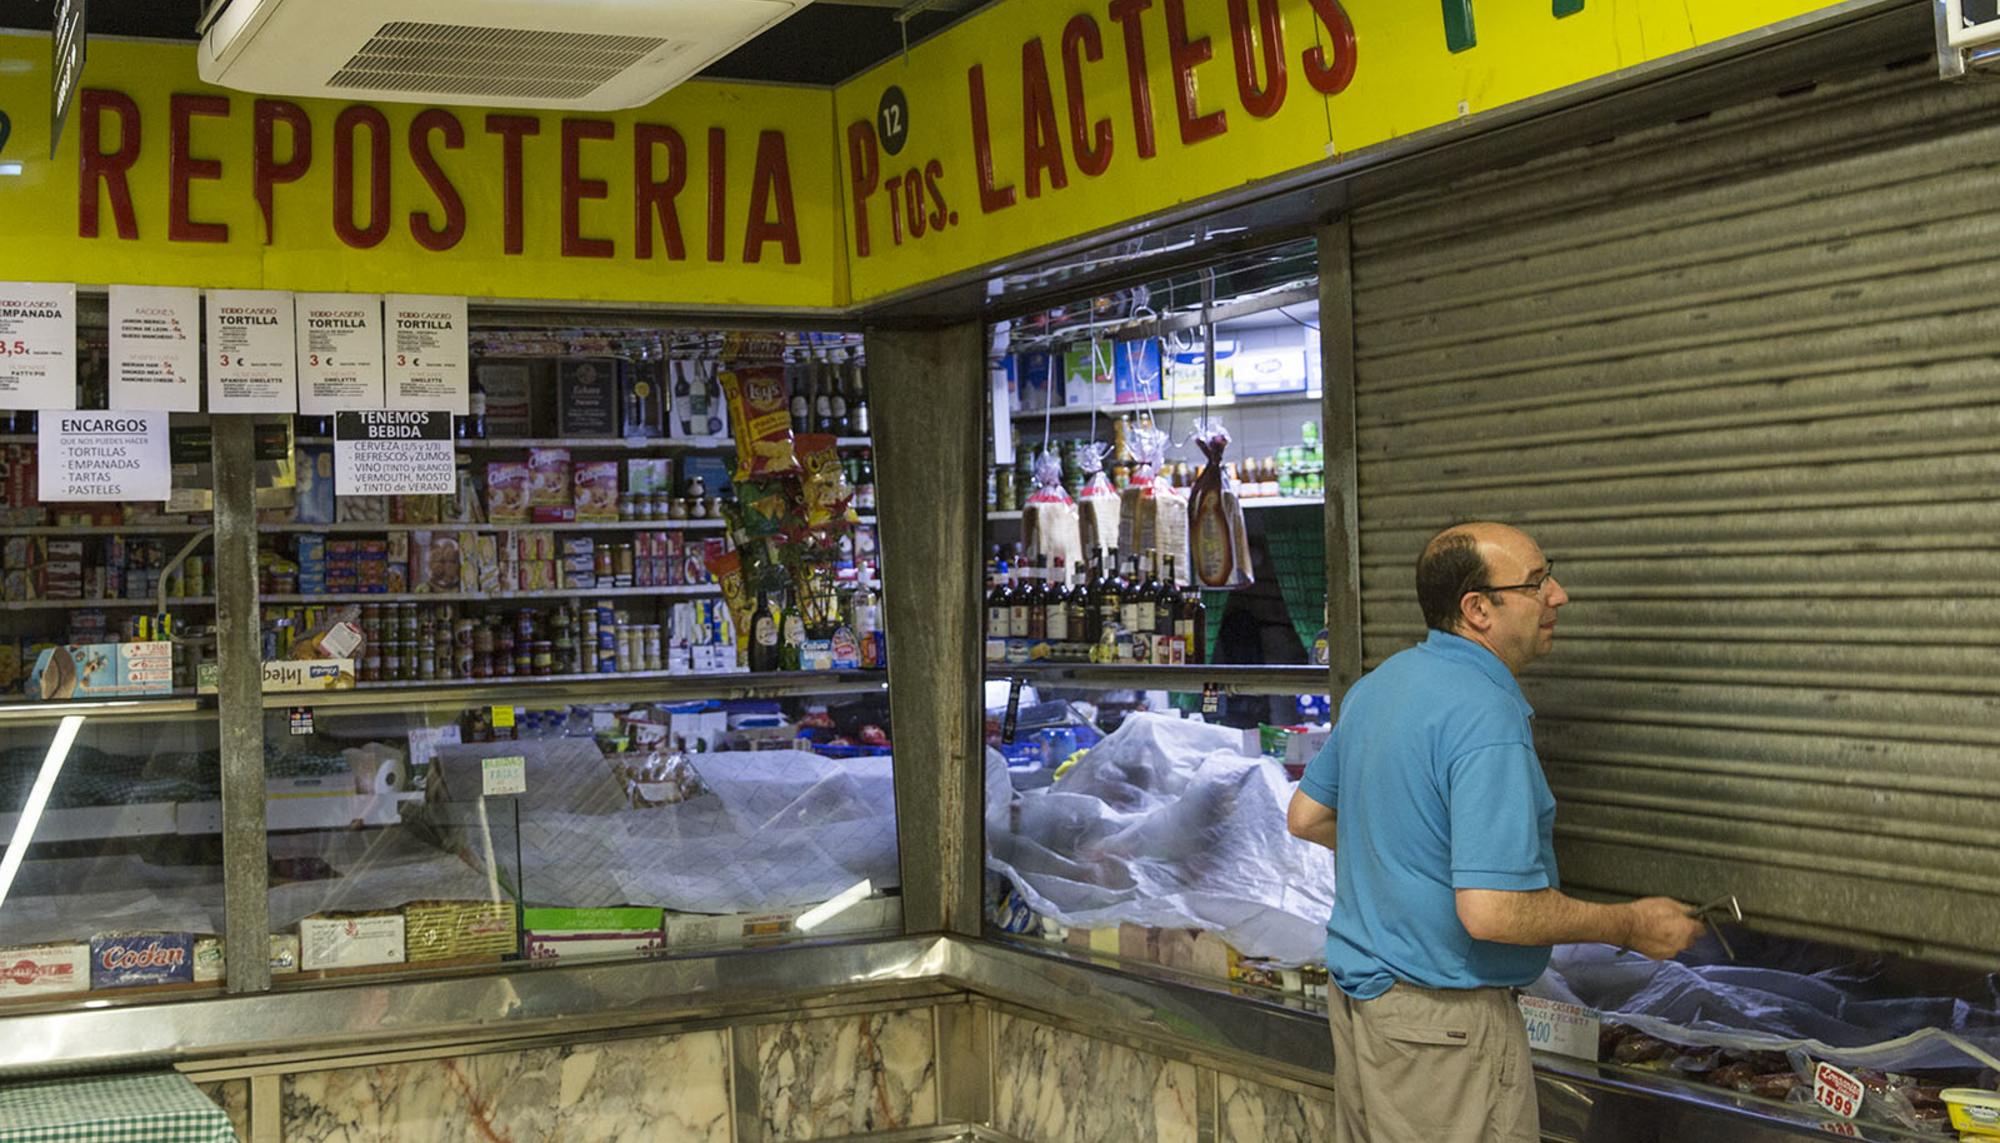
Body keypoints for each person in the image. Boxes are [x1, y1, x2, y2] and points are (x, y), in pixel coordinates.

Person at [1286, 521, 1702, 1143]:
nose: (1558, 595)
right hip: (1442, 1031)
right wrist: (1630, 925)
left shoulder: (1380, 685)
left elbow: (1307, 816)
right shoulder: (1486, 715)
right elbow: (1493, 912)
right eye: (1535, 583)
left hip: (1365, 1012)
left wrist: (1412, 857)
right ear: (1477, 609)